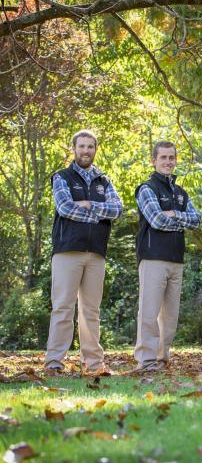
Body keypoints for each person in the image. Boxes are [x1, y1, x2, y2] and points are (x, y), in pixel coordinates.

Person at [44, 130, 122, 375]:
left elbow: (117, 209)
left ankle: (93, 364)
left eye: (90, 146)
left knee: (91, 310)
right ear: (74, 149)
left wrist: (89, 205)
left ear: (95, 149)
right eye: (82, 146)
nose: (86, 151)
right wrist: (100, 212)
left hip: (96, 253)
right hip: (68, 250)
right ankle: (55, 362)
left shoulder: (104, 181)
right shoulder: (62, 177)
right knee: (63, 307)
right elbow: (65, 208)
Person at [133, 141, 201, 372]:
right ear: (154, 160)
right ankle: (146, 360)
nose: (168, 162)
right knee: (149, 312)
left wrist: (173, 214)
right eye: (163, 157)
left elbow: (196, 219)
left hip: (176, 259)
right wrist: (177, 218)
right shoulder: (147, 188)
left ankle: (161, 359)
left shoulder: (181, 193)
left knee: (170, 317)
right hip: (153, 257)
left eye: (171, 157)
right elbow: (157, 220)